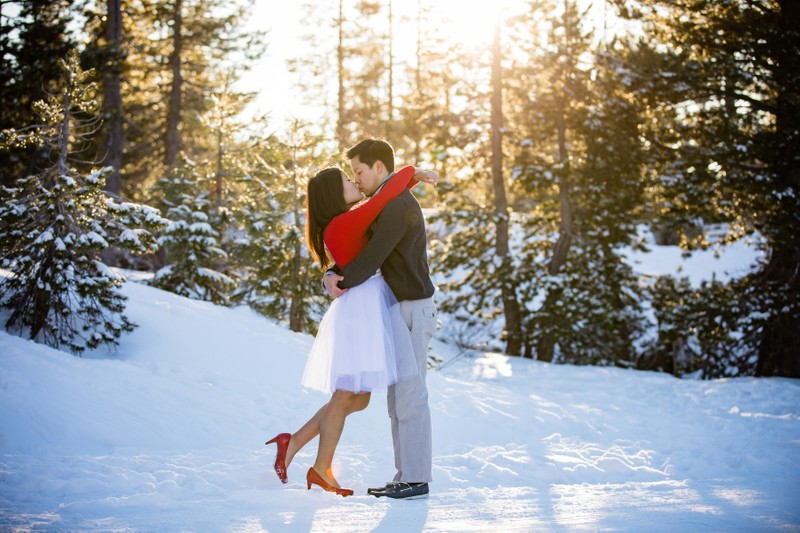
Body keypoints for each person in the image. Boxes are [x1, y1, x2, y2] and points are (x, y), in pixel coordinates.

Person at [265, 162, 438, 497]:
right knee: (347, 395)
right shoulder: (343, 222)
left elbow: (386, 208)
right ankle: (321, 469)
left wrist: (409, 183)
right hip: (363, 309)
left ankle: (293, 443)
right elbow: (381, 201)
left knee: (356, 399)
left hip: (366, 306)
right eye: (347, 179)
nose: (354, 180)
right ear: (334, 193)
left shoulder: (344, 222)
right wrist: (411, 172)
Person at [324, 138, 438, 500]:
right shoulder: (384, 203)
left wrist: (338, 280)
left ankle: (416, 478)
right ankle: (405, 475)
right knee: (397, 400)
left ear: (378, 167)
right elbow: (357, 246)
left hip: (413, 308)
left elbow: (371, 257)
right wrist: (331, 271)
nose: (355, 180)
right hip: (398, 309)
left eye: (358, 171)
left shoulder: (397, 206)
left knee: (410, 396)